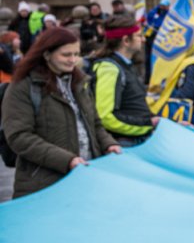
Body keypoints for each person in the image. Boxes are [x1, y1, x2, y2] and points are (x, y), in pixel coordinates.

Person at [1, 28, 121, 198]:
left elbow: (94, 124)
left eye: (76, 54)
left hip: (87, 178)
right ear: (47, 54)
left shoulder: (80, 83)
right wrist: (67, 160)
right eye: (66, 55)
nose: (73, 60)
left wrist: (109, 144)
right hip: (44, 186)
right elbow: (20, 137)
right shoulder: (23, 86)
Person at [90, 15, 159, 147]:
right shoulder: (109, 69)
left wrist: (158, 121)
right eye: (139, 36)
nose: (144, 40)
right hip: (124, 143)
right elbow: (105, 117)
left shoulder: (126, 65)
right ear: (126, 40)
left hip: (134, 139)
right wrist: (147, 125)